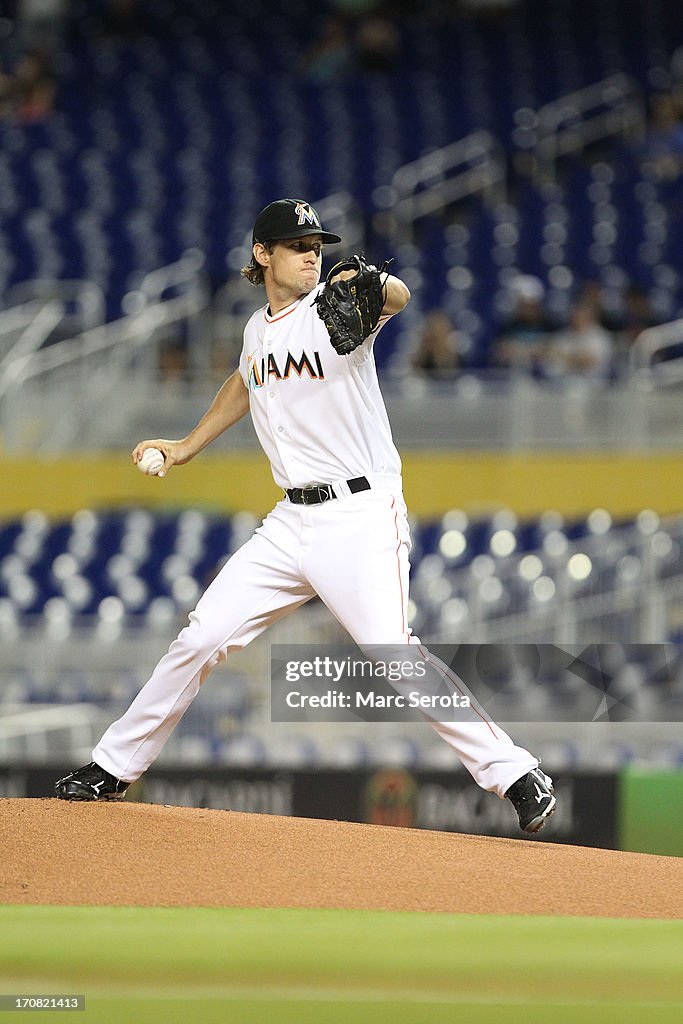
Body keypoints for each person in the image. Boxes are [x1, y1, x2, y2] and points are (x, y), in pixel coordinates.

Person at [55, 198, 556, 834]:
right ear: (262, 255)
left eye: (316, 243)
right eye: (297, 244)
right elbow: (245, 380)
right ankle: (112, 767)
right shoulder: (257, 331)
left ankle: (515, 774)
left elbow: (395, 297)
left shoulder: (332, 307)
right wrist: (185, 446)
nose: (311, 252)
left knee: (394, 655)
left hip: (360, 513)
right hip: (290, 520)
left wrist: (371, 283)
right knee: (201, 635)